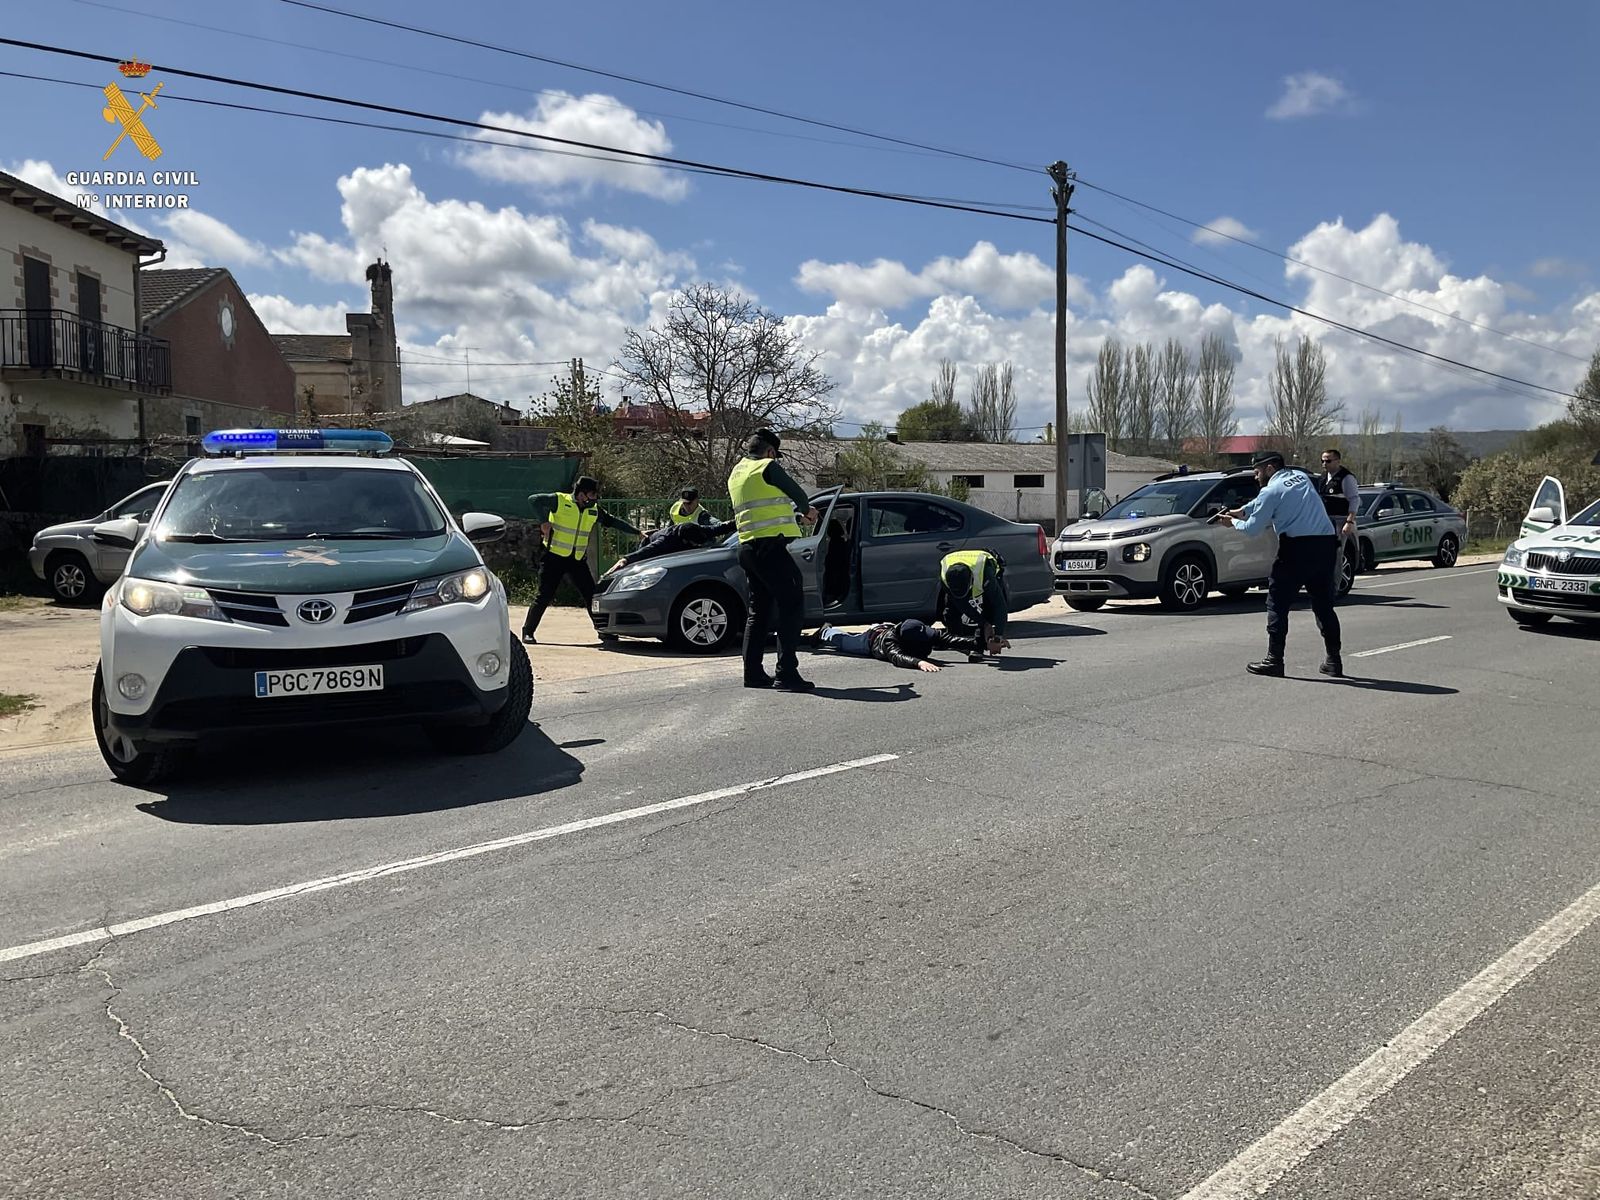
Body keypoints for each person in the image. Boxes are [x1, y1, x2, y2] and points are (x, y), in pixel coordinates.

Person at [1215, 450, 1343, 677]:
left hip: (1295, 549)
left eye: (1257, 471)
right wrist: (1243, 510)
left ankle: (1274, 660)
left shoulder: (1270, 490)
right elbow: (1266, 500)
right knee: (1324, 605)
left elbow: (1253, 528)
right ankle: (1334, 660)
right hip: (1325, 546)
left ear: (1270, 468)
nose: (1256, 477)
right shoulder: (1300, 477)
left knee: (1277, 603)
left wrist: (1232, 521)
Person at [727, 428, 819, 692]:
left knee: (759, 611)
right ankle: (786, 673)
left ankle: (753, 674)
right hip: (770, 549)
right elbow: (798, 494)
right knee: (792, 604)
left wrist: (796, 518)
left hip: (747, 548)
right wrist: (808, 511)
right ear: (770, 452)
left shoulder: (737, 473)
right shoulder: (768, 466)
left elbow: (764, 509)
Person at [521, 476, 641, 644]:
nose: (595, 498)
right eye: (592, 494)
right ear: (582, 494)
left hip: (576, 559)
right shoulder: (560, 501)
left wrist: (637, 532)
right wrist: (544, 521)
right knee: (544, 595)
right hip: (554, 557)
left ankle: (603, 631)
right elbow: (534, 500)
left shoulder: (593, 510)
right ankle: (528, 631)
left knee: (591, 596)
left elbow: (613, 521)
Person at [810, 618, 979, 673]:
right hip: (869, 641)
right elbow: (897, 657)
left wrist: (981, 644)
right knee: (842, 641)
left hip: (888, 626)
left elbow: (947, 638)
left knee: (939, 641)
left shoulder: (917, 630)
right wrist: (919, 663)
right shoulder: (890, 643)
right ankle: (826, 631)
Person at [601, 516, 736, 578]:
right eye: (693, 544)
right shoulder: (666, 541)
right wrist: (625, 560)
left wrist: (739, 521)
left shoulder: (699, 531)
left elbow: (721, 528)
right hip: (650, 544)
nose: (695, 546)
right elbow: (645, 552)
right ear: (684, 540)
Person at [939, 549, 1011, 662]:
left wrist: (997, 637)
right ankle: (959, 642)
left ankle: (980, 646)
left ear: (972, 580)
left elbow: (999, 605)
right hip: (958, 565)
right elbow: (961, 604)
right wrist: (984, 623)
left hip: (988, 566)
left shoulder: (984, 573)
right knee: (950, 612)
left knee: (988, 608)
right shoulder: (945, 575)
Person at [1317, 448, 1361, 592]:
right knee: (1322, 553)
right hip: (1324, 520)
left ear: (1337, 461)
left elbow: (1354, 500)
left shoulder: (1346, 477)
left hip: (1340, 520)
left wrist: (1349, 522)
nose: (1325, 464)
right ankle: (1323, 584)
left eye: (1328, 461)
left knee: (1336, 554)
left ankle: (1334, 588)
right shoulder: (1322, 478)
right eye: (1322, 461)